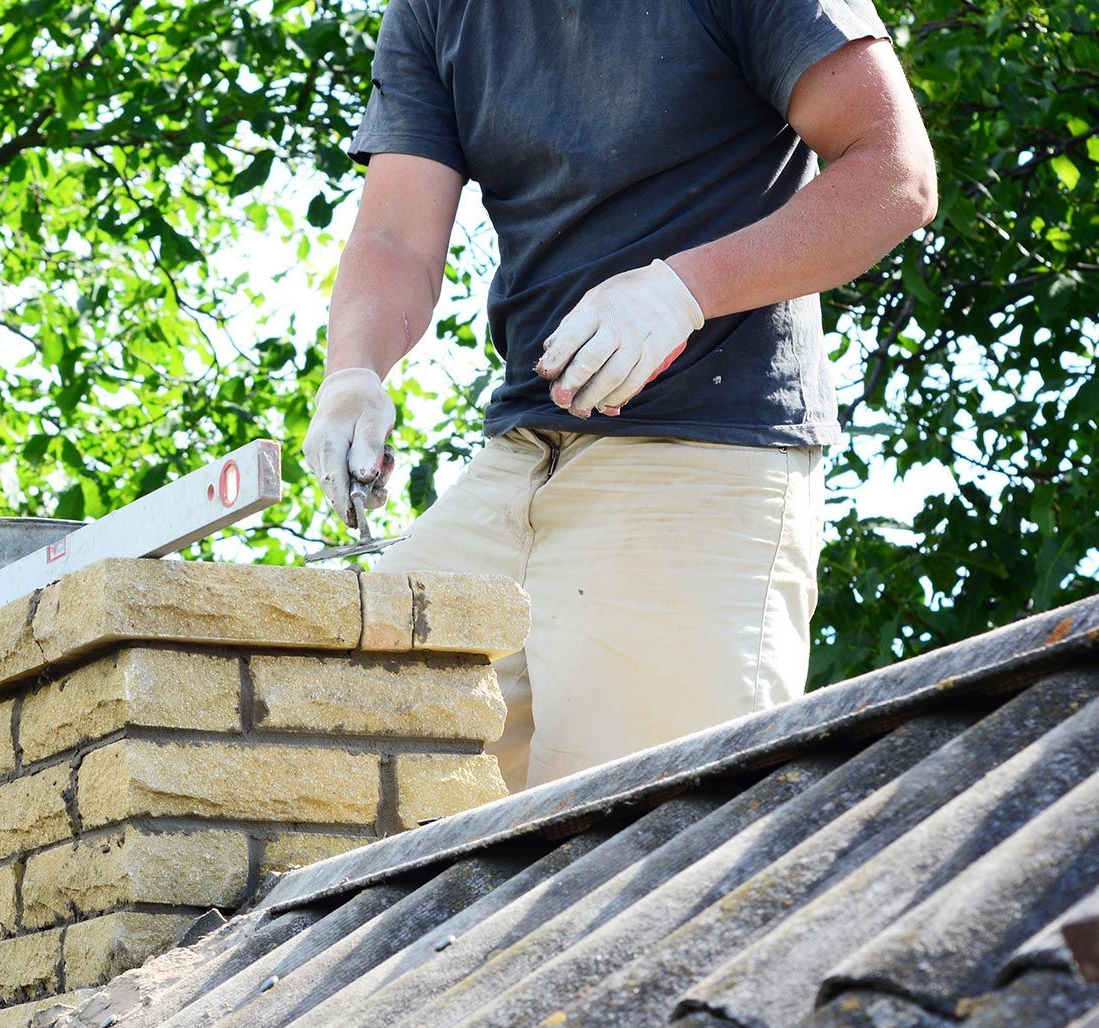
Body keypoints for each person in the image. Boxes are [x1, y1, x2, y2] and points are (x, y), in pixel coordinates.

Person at [303, 0, 937, 792]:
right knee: (327, 759)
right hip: (524, 457)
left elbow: (894, 174)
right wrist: (353, 372)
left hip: (704, 455)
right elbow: (395, 235)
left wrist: (683, 290)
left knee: (648, 841)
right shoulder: (437, 10)